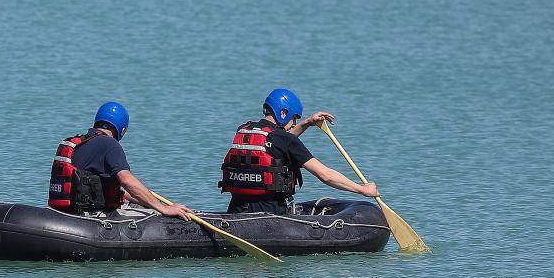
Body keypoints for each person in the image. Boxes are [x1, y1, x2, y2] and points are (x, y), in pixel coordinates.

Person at [218, 88, 380, 213]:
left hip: (237, 209)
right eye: (294, 118)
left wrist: (307, 122)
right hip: (269, 215)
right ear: (283, 113)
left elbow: (278, 143)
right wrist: (362, 189)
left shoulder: (245, 130)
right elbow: (326, 175)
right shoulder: (285, 140)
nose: (295, 124)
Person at [48, 101, 194, 220]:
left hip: (66, 212)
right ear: (122, 130)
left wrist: (150, 200)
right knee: (156, 214)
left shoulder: (77, 144)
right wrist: (164, 208)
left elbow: (116, 190)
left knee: (145, 205)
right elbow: (126, 180)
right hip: (91, 217)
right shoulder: (110, 144)